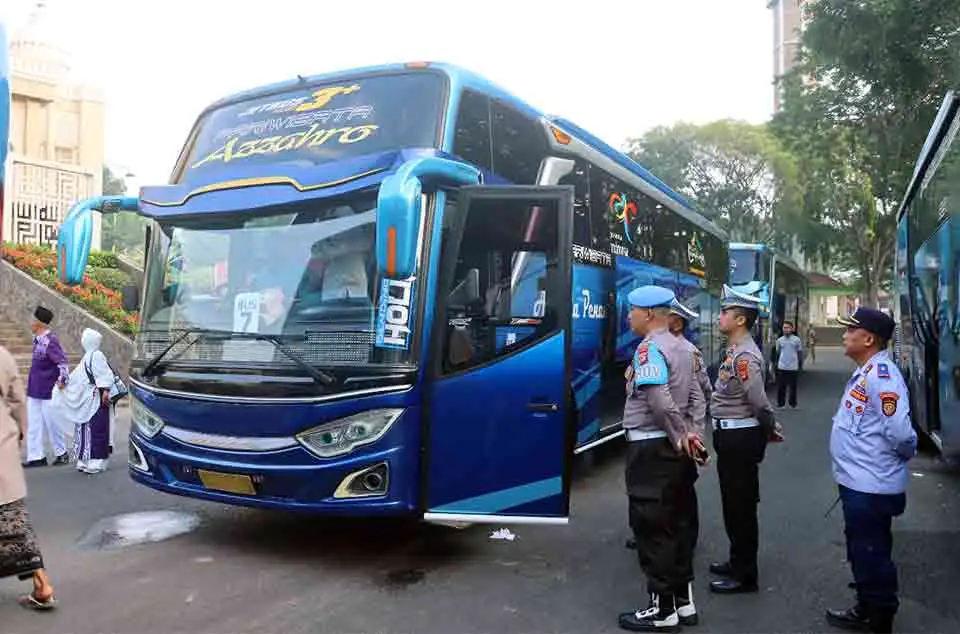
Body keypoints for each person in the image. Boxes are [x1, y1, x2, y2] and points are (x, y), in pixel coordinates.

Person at [618, 285, 704, 632]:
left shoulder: (649, 349)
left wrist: (680, 435)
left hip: (653, 450)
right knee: (680, 523)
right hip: (676, 449)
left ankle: (662, 611)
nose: (629, 316)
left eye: (632, 310)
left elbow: (658, 400)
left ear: (649, 314)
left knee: (653, 528)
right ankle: (683, 603)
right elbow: (699, 395)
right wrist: (692, 435)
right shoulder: (686, 347)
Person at [825, 308, 916, 634]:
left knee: (871, 551)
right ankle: (866, 605)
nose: (845, 335)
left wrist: (896, 461)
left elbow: (903, 435)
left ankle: (879, 618)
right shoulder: (866, 372)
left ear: (868, 338)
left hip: (872, 484)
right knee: (862, 548)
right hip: (859, 482)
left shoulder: (882, 376)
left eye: (851, 330)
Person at [708, 285, 783, 595]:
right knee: (732, 503)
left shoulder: (745, 357)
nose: (719, 316)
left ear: (740, 320)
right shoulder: (734, 352)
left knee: (740, 506)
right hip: (730, 435)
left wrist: (770, 427)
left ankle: (745, 574)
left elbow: (759, 402)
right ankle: (736, 560)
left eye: (725, 312)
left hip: (740, 436)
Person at [0, 340, 57, 609]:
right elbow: (18, 401)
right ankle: (42, 584)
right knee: (14, 524)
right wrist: (20, 434)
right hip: (2, 447)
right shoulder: (2, 356)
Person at [52, 329, 115, 474]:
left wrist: (105, 390)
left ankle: (96, 461)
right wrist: (64, 383)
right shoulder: (88, 356)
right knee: (84, 428)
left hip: (96, 397)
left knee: (96, 429)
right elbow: (77, 376)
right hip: (88, 398)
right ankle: (84, 459)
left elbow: (105, 374)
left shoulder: (97, 355)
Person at [24, 306, 69, 468]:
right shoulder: (37, 340)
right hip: (35, 388)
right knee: (33, 423)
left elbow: (62, 363)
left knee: (52, 422)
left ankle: (61, 453)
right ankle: (36, 456)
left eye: (32, 319)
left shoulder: (51, 340)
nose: (30, 322)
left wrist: (62, 381)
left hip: (48, 390)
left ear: (39, 323)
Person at [775, 320, 804, 409]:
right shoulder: (779, 340)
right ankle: (781, 404)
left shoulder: (797, 340)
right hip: (782, 366)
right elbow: (778, 352)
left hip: (793, 367)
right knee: (781, 387)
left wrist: (799, 364)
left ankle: (793, 404)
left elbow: (799, 352)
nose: (786, 329)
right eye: (784, 328)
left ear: (792, 329)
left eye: (787, 328)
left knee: (793, 387)